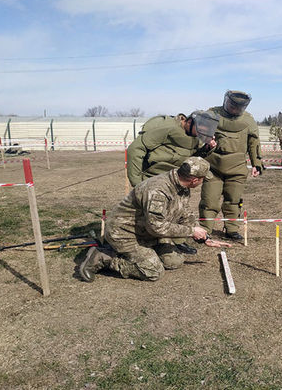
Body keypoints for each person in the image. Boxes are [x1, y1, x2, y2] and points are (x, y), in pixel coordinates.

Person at [79, 157, 230, 283]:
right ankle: (103, 257)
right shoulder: (158, 190)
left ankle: (143, 253)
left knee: (173, 261)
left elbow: (184, 213)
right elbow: (156, 227)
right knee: (153, 271)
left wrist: (204, 237)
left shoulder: (182, 187)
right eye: (203, 179)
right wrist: (191, 232)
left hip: (147, 232)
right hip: (125, 232)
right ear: (195, 180)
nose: (203, 182)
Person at [199, 90, 264, 242]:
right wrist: (206, 143)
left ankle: (232, 230)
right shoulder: (212, 114)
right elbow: (198, 137)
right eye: (232, 105)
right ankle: (205, 230)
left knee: (233, 201)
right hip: (213, 167)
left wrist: (257, 164)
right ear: (226, 101)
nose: (234, 109)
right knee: (209, 201)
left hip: (237, 169)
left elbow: (254, 143)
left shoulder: (248, 121)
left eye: (238, 107)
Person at [126, 112, 216, 187]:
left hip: (176, 183)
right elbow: (135, 149)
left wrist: (206, 149)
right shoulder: (167, 127)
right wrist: (137, 183)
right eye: (200, 130)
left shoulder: (196, 139)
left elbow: (190, 160)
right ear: (189, 122)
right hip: (152, 181)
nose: (201, 134)